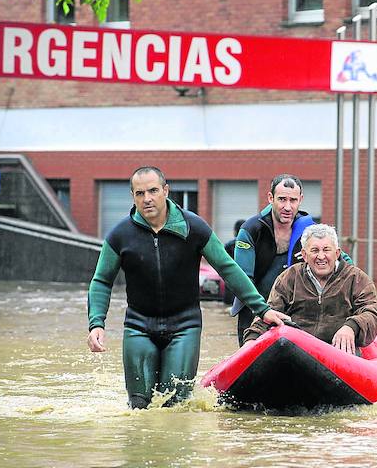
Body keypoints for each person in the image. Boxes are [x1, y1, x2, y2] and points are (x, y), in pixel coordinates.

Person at [86, 166, 288, 409]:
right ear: (133, 196)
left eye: (153, 191)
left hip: (184, 326)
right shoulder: (120, 235)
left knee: (175, 406)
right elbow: (101, 281)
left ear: (166, 191)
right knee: (138, 406)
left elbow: (228, 268)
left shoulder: (194, 227)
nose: (147, 198)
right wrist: (96, 323)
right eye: (140, 193)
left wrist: (262, 309)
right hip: (138, 326)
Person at [230, 174, 351, 345]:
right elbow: (241, 280)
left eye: (293, 200)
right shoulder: (251, 230)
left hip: (293, 312)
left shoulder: (309, 230)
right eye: (282, 199)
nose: (287, 207)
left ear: (300, 200)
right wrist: (263, 311)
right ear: (270, 198)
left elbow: (342, 261)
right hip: (255, 310)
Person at [243, 223, 377, 354]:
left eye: (326, 250)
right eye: (314, 250)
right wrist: (251, 339)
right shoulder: (289, 277)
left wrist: (351, 326)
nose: (321, 256)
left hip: (341, 354)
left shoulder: (356, 278)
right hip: (297, 352)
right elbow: (270, 312)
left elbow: (371, 312)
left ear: (337, 253)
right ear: (304, 255)